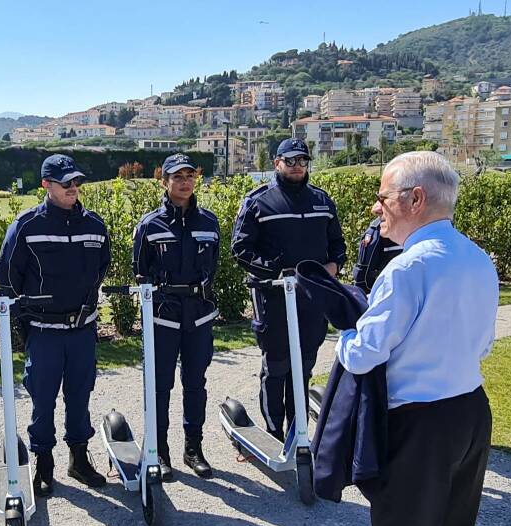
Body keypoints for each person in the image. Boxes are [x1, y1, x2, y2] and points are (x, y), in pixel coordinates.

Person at [336, 151, 498, 526]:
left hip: (418, 424)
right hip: (471, 412)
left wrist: (345, 334)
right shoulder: (478, 258)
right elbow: (483, 346)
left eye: (383, 197)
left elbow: (363, 355)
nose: (377, 208)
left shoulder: (406, 269)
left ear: (415, 199)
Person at [0, 154, 110, 496]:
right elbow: (7, 277)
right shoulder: (27, 225)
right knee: (42, 400)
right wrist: (25, 321)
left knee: (80, 397)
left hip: (82, 331)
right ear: (46, 185)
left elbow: (101, 267)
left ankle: (79, 458)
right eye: (66, 184)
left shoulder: (95, 225)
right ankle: (44, 463)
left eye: (76, 182)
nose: (73, 188)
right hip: (44, 331)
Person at [231, 138, 346, 440]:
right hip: (273, 296)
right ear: (277, 163)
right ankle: (273, 432)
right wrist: (274, 270)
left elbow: (338, 245)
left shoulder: (322, 201)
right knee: (278, 364)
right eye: (290, 161)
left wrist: (332, 268)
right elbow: (241, 249)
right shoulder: (258, 201)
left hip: (312, 297)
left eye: (302, 161)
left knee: (305, 364)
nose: (297, 167)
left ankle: (299, 430)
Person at [132, 153, 219, 481]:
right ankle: (160, 450)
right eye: (177, 177)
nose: (184, 182)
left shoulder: (209, 222)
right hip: (163, 316)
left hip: (197, 315)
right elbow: (139, 270)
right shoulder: (149, 224)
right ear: (164, 181)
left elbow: (213, 266)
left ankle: (193, 448)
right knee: (159, 386)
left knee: (196, 383)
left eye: (189, 176)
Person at [351, 216, 401, 294]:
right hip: (383, 293)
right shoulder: (377, 229)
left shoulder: (379, 227)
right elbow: (363, 273)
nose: (375, 209)